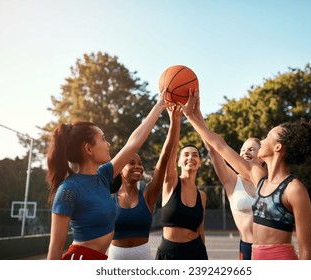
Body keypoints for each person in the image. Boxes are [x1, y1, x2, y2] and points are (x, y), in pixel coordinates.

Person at [182, 90, 311, 260]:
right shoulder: (258, 177)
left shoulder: (294, 189)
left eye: (267, 137)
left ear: (278, 147)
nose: (263, 140)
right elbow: (219, 146)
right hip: (254, 257)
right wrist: (192, 116)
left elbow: (306, 254)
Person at [45, 90, 172, 260]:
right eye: (103, 139)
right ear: (89, 148)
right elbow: (54, 251)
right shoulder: (68, 189)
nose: (108, 144)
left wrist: (159, 106)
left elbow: (133, 144)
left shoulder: (103, 176)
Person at [190, 92, 262, 260]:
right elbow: (213, 151)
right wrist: (196, 114)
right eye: (243, 149)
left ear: (262, 155)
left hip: (271, 248)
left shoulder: (268, 180)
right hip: (247, 247)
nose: (245, 152)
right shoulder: (232, 180)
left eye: (251, 149)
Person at [107, 106, 182, 260]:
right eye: (131, 163)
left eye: (140, 163)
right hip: (115, 259)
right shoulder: (108, 198)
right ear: (120, 168)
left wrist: (174, 122)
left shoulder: (148, 195)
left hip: (144, 258)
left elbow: (163, 160)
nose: (138, 167)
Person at [155, 105, 208, 260]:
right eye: (185, 155)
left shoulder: (202, 196)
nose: (190, 158)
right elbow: (169, 153)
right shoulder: (171, 183)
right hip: (169, 254)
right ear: (178, 162)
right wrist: (175, 122)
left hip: (196, 252)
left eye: (195, 155)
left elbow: (201, 230)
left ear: (199, 163)